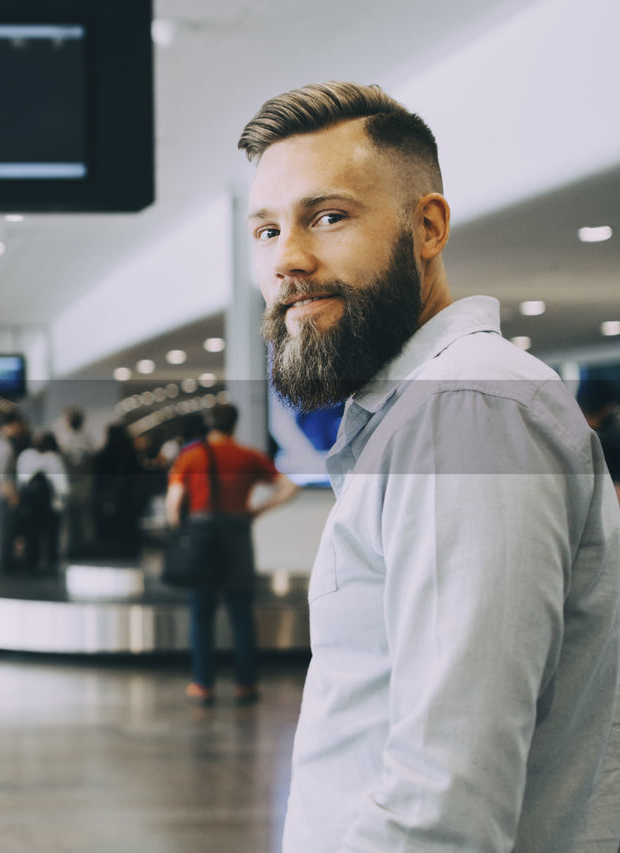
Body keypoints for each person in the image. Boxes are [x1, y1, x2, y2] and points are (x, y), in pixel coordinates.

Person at [239, 81, 620, 850]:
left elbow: (445, 803)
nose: (289, 259)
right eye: (267, 230)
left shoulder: (464, 411)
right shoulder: (420, 415)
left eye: (328, 216)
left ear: (428, 226)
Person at [164, 403, 298, 706]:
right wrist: (257, 511)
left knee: (201, 612)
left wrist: (181, 530)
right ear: (235, 424)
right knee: (240, 612)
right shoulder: (249, 456)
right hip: (237, 535)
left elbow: (174, 503)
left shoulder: (190, 456)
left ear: (208, 424)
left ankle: (203, 684)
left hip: (201, 538)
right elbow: (289, 487)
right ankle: (246, 684)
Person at [15, 432, 70, 575]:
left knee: (31, 536)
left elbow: (21, 480)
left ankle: (30, 565)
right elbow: (62, 486)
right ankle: (51, 565)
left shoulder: (25, 456)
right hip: (51, 506)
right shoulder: (53, 458)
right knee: (51, 537)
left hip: (30, 505)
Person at [90, 423, 146, 559]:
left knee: (108, 532)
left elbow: (98, 478)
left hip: (110, 499)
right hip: (127, 500)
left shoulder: (105, 454)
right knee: (126, 531)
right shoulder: (130, 453)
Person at [0, 413, 28, 575]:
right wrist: (12, 496)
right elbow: (2, 476)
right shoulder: (2, 446)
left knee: (5, 540)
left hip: (3, 496)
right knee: (2, 540)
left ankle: (0, 574)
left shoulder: (1, 444)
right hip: (3, 497)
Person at [54, 408, 95, 558]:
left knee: (70, 519)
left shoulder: (65, 440)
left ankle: (71, 549)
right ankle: (86, 548)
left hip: (70, 483)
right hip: (85, 483)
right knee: (85, 518)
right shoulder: (88, 440)